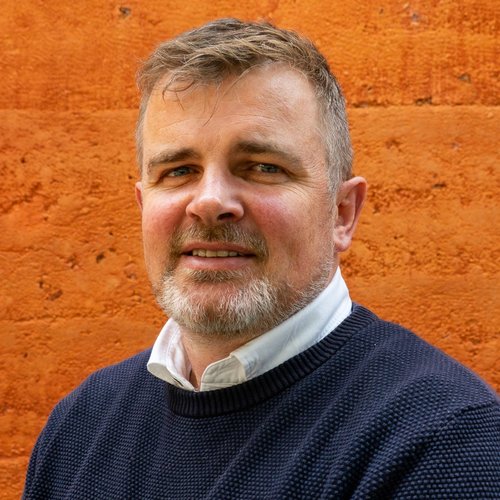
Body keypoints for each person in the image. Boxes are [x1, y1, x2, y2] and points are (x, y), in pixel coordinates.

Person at [23, 18, 499, 499]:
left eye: (263, 167)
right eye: (179, 170)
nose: (210, 202)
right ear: (144, 207)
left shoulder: (444, 441)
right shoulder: (80, 428)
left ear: (341, 213)